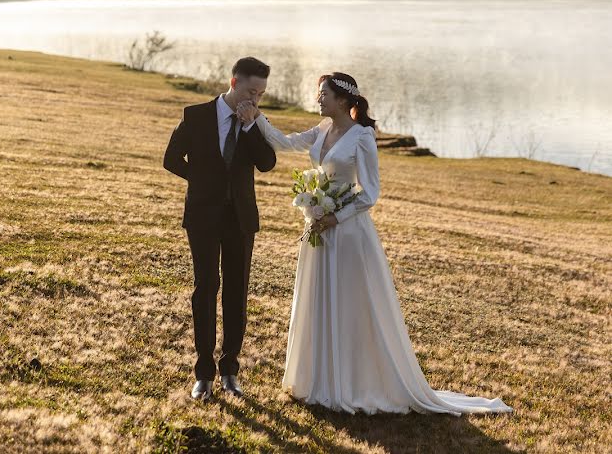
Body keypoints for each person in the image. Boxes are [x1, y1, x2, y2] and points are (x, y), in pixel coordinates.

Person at [235, 72, 513, 415]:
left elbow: (370, 193)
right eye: (318, 93)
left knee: (351, 305)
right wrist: (257, 117)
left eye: (323, 94)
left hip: (348, 233)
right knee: (320, 299)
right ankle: (319, 379)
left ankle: (355, 382)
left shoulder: (362, 136)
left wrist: (334, 217)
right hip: (319, 231)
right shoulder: (321, 130)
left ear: (342, 100)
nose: (318, 99)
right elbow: (284, 142)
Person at [163, 57, 277, 401]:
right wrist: (200, 183)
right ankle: (203, 373)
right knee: (205, 288)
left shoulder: (257, 121)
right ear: (233, 82)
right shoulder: (195, 115)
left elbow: (267, 164)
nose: (255, 98)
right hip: (203, 217)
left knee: (236, 293)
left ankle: (230, 371)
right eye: (250, 91)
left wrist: (249, 126)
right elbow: (171, 158)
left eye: (260, 94)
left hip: (241, 220)